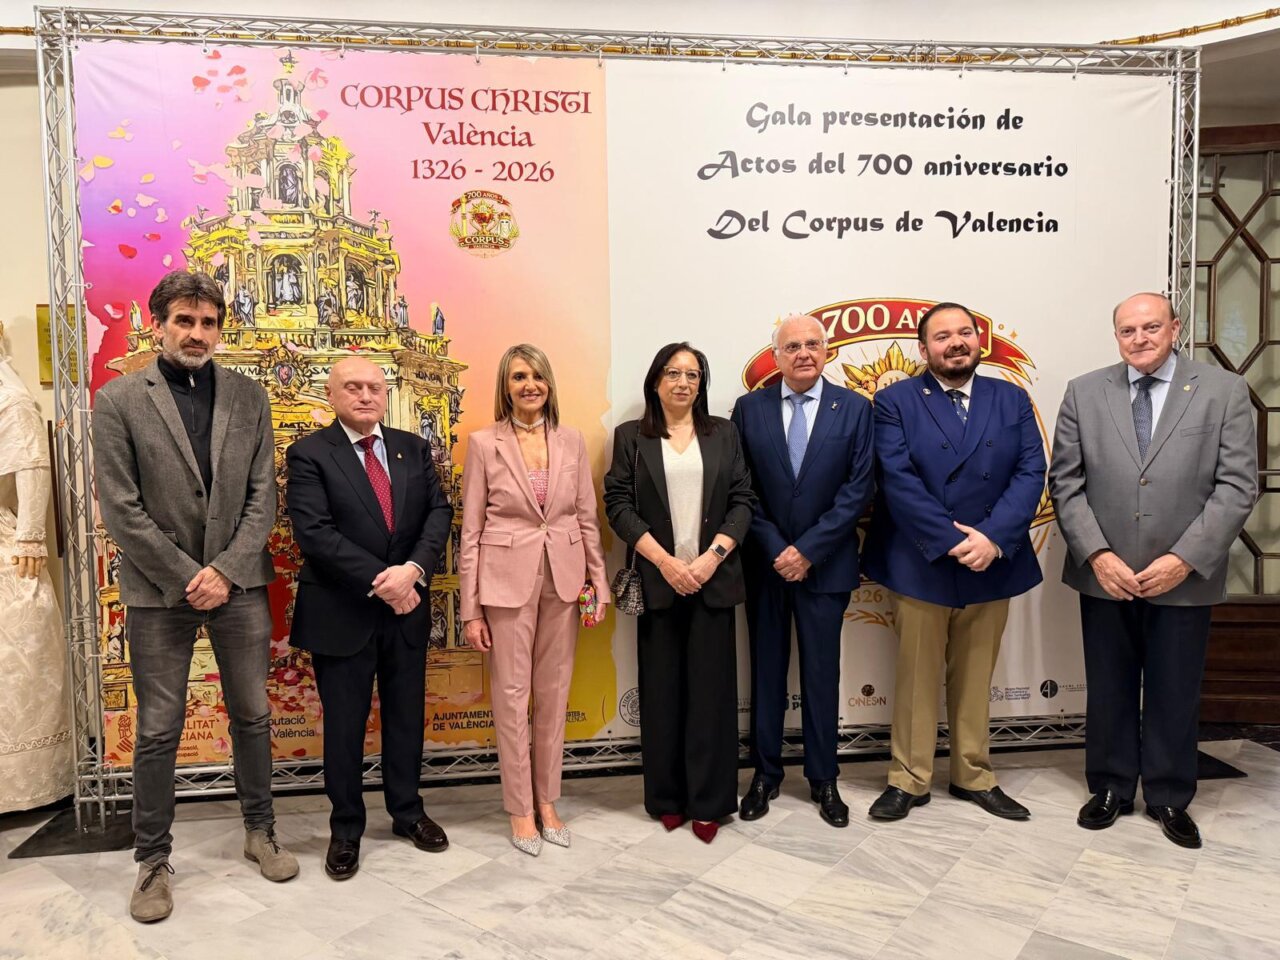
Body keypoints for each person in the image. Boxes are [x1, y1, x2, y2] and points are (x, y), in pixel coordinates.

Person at [93, 270, 298, 923]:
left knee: (253, 715)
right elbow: (121, 508)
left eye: (208, 323)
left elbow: (263, 496)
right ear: (159, 325)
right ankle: (153, 862)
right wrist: (188, 574)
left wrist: (227, 570)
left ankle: (261, 833)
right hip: (159, 589)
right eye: (184, 320)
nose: (197, 334)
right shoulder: (119, 400)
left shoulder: (249, 396)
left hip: (239, 584)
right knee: (158, 728)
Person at [1048, 292, 1256, 849]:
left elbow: (1238, 485)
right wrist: (1098, 554)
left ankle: (1168, 795)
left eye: (1151, 327)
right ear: (1116, 336)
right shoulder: (1084, 392)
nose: (1139, 338)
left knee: (1174, 689)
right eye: (1127, 330)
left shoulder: (1224, 391)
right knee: (1108, 687)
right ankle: (1110, 787)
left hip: (1184, 575)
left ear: (1174, 327)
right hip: (1106, 574)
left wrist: (1184, 558)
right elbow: (1065, 482)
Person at [863, 302, 1045, 822]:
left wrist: (992, 538)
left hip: (993, 558)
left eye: (965, 332)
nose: (956, 342)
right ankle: (908, 779)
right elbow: (896, 478)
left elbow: (1032, 471)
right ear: (924, 349)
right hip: (920, 558)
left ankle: (973, 775)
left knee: (975, 675)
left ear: (978, 341)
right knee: (916, 677)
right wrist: (950, 540)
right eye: (942, 336)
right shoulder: (895, 400)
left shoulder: (1011, 397)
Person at [286, 356, 453, 879]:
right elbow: (314, 533)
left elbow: (438, 513)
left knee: (406, 717)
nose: (365, 396)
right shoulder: (309, 453)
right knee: (344, 726)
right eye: (352, 387)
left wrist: (414, 571)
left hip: (406, 610)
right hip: (342, 610)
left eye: (374, 388)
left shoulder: (413, 448)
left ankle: (408, 812)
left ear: (385, 395)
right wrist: (388, 581)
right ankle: (346, 828)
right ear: (332, 395)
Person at [459, 344, 610, 856]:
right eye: (519, 376)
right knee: (511, 695)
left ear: (549, 384)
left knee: (554, 692)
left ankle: (547, 801)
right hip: (504, 582)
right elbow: (471, 531)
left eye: (538, 376)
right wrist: (470, 609)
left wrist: (599, 582)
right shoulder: (484, 444)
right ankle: (519, 808)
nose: (530, 385)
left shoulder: (571, 440)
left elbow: (586, 517)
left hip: (563, 579)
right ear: (506, 385)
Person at [603, 343, 754, 844]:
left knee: (712, 698)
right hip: (659, 582)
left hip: (713, 580)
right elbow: (618, 505)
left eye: (692, 374)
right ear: (655, 381)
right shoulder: (632, 436)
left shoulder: (724, 433)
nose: (683, 382)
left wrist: (711, 558)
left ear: (701, 383)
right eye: (673, 373)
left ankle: (710, 802)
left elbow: (743, 501)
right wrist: (666, 563)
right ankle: (667, 798)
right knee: (662, 695)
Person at [730, 314, 874, 828]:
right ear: (776, 356)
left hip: (826, 566)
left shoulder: (855, 408)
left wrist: (808, 550)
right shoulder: (749, 409)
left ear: (827, 350)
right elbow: (741, 487)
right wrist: (778, 548)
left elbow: (859, 488)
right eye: (792, 346)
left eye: (813, 344)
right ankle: (764, 775)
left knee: (821, 674)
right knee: (766, 673)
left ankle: (823, 778)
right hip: (766, 565)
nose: (803, 353)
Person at [0, 320, 73, 814]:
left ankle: (27, 783)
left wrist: (30, 536)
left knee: (18, 662)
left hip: (9, 550)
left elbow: (32, 463)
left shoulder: (11, 398)